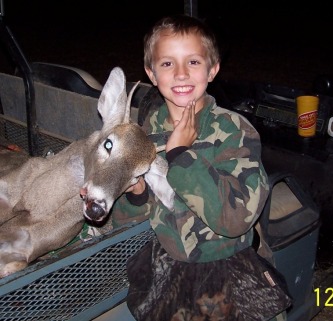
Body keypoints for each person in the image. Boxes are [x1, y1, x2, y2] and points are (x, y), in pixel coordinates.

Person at [111, 14, 291, 321]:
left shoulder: (234, 131)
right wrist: (137, 196)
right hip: (169, 274)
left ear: (213, 69)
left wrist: (181, 154)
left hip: (227, 276)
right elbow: (127, 223)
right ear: (151, 73)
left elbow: (235, 219)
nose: (181, 74)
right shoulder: (147, 133)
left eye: (193, 62)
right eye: (167, 63)